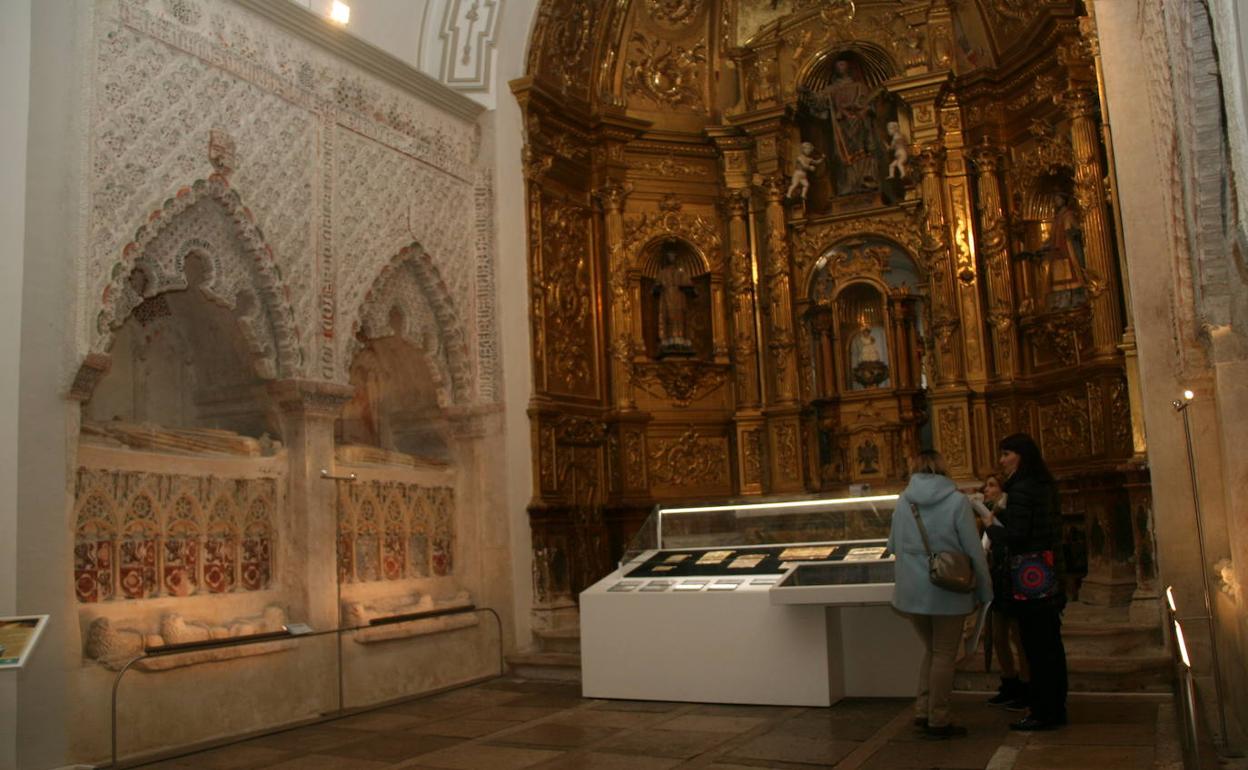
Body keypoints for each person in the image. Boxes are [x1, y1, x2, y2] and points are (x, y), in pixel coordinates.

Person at [888, 450, 993, 739]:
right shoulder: (957, 502)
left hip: (912, 591)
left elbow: (893, 544)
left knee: (932, 650)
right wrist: (985, 590)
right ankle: (939, 718)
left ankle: (923, 710)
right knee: (946, 654)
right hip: (947, 589)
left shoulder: (903, 500)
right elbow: (973, 550)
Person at [987, 433, 1068, 731]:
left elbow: (1018, 536)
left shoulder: (1021, 488)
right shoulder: (1043, 484)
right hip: (1049, 574)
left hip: (1030, 579)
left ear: (1021, 455)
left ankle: (1043, 711)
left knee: (1036, 648)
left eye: (1007, 453)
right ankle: (1055, 707)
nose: (1002, 459)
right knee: (1051, 648)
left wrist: (992, 528)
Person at [974, 473, 1030, 710]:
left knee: (1019, 637)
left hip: (1014, 581)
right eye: (985, 486)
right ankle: (1009, 682)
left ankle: (1028, 686)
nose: (987, 490)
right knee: (997, 637)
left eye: (992, 485)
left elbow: (1012, 540)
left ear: (1002, 489)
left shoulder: (1009, 511)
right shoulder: (985, 515)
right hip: (997, 583)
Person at [653, 244, 696, 355]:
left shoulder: (681, 272)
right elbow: (656, 287)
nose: (671, 257)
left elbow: (689, 286)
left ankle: (682, 340)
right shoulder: (662, 272)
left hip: (679, 298)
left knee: (680, 316)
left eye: (673, 255)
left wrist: (688, 288)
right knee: (668, 317)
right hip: (667, 297)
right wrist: (658, 287)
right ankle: (668, 340)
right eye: (669, 255)